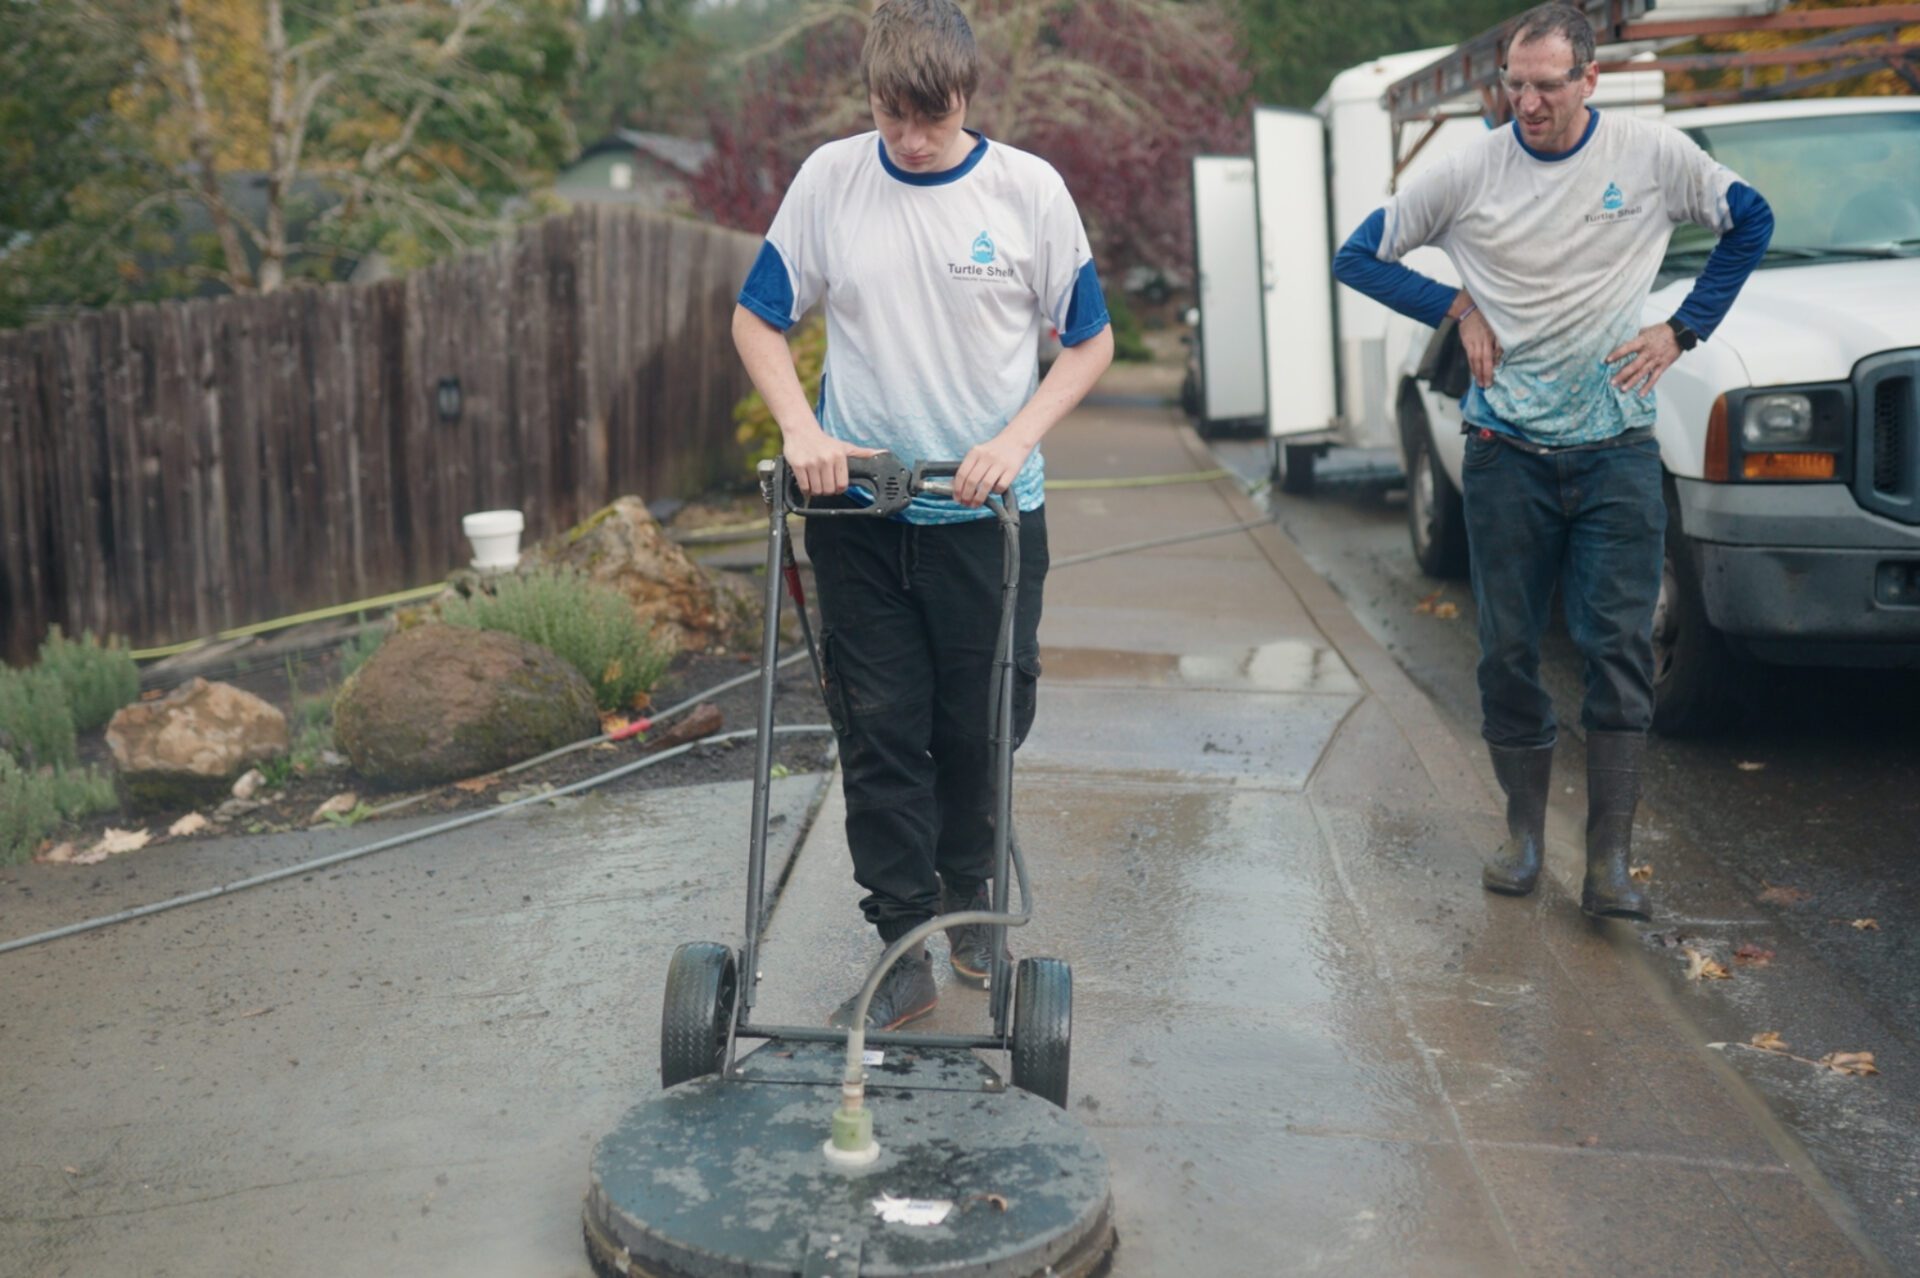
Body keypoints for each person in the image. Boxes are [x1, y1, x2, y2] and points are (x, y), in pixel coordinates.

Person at [1331, 2, 1772, 921]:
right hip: (1505, 455)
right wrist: (1457, 308)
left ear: (1589, 80)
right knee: (1507, 651)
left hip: (1615, 450)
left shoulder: (1652, 157)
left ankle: (1608, 861)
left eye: (1545, 85)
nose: (1526, 103)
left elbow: (1751, 220)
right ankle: (1524, 835)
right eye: (1514, 85)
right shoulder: (1467, 170)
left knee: (1617, 648)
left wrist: (1682, 330)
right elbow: (1357, 255)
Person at [731, 0, 1113, 1028]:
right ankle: (902, 939)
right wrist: (803, 428)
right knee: (881, 733)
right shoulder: (831, 179)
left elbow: (1089, 339)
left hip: (984, 518)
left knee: (984, 725)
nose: (907, 140)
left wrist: (1016, 437)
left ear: (967, 97)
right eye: (890, 116)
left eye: (929, 121)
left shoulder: (1028, 192)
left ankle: (968, 892)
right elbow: (758, 315)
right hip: (858, 512)